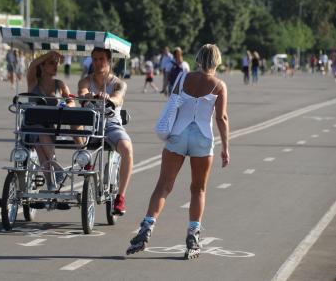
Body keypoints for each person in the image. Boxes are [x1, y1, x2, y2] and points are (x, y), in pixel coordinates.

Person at [126, 44, 230, 259]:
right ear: (217, 61)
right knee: (198, 189)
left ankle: (146, 227)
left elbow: (172, 104)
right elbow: (221, 118)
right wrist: (225, 148)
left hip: (178, 135)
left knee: (163, 186)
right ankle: (193, 234)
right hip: (202, 138)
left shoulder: (183, 78)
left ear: (198, 58)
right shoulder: (219, 86)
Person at [78, 47, 133, 215]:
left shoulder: (118, 83)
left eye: (101, 59)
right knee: (73, 128)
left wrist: (109, 98)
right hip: (91, 124)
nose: (97, 63)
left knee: (127, 149)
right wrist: (86, 96)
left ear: (109, 61)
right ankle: (86, 164)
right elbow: (82, 91)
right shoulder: (86, 80)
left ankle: (120, 197)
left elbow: (118, 97)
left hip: (111, 124)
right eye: (94, 59)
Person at [27, 50, 75, 190]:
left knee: (41, 146)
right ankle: (55, 166)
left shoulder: (59, 84)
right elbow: (32, 64)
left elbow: (71, 101)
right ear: (42, 66)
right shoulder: (33, 81)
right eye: (51, 63)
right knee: (39, 133)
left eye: (56, 63)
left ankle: (51, 183)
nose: (55, 66)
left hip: (51, 127)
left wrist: (67, 105)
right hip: (30, 125)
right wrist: (50, 53)